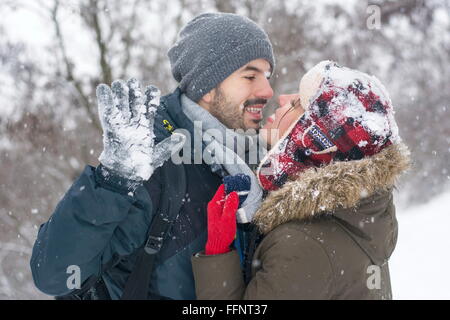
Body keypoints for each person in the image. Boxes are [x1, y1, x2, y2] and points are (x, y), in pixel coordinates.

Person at [30, 12, 275, 300]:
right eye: (250, 76)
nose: (267, 90)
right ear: (208, 88)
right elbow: (56, 276)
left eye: (267, 77)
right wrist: (114, 182)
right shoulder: (154, 158)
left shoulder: (254, 161)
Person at [191, 60, 411, 299]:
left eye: (297, 104)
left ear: (312, 141)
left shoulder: (303, 246)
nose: (282, 98)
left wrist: (218, 253)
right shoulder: (358, 217)